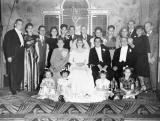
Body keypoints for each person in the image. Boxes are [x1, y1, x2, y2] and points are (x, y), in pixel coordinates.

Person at [68, 37, 95, 102]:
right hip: (75, 66)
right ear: (76, 43)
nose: (79, 43)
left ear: (83, 43)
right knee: (75, 74)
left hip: (83, 66)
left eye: (81, 42)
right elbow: (70, 60)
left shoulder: (86, 51)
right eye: (78, 42)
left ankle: (85, 92)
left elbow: (87, 60)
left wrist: (83, 63)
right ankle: (75, 93)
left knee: (86, 75)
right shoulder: (73, 51)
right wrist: (76, 64)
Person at [3, 19, 25, 94]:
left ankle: (17, 87)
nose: (20, 25)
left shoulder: (21, 34)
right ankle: (13, 90)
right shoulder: (10, 33)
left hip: (20, 57)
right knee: (12, 73)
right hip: (12, 56)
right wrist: (8, 56)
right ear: (15, 24)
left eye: (21, 24)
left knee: (19, 72)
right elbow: (6, 45)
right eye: (19, 24)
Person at [133, 25, 151, 91]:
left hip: (144, 57)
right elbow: (133, 48)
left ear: (142, 31)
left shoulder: (145, 37)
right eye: (137, 30)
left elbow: (148, 48)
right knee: (139, 72)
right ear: (136, 31)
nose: (138, 31)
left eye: (140, 30)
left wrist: (149, 58)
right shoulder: (134, 38)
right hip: (137, 57)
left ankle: (146, 86)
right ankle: (142, 85)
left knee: (144, 72)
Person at [24, 23, 39, 91]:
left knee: (34, 69)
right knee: (28, 69)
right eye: (29, 28)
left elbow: (37, 42)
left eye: (31, 28)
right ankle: (27, 86)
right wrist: (32, 41)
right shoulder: (24, 36)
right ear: (26, 29)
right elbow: (25, 44)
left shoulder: (35, 36)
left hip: (34, 54)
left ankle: (34, 85)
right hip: (27, 55)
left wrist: (31, 42)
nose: (30, 29)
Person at [145, 22, 159, 91]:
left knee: (153, 72)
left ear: (151, 27)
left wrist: (154, 57)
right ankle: (148, 87)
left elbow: (157, 47)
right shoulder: (144, 35)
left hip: (152, 57)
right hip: (145, 57)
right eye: (145, 26)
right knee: (147, 72)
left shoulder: (156, 35)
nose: (146, 28)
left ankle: (154, 88)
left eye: (148, 26)